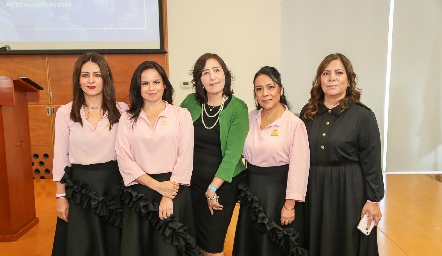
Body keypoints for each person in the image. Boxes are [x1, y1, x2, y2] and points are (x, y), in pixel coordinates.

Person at [300, 53, 384, 256]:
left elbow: (372, 161)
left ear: (349, 79)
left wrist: (373, 200)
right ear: (319, 80)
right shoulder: (308, 113)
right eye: (326, 73)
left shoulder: (363, 116)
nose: (332, 78)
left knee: (347, 244)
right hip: (314, 191)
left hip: (349, 192)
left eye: (338, 73)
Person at [115, 60, 200, 255]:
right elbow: (124, 158)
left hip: (174, 191)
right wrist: (156, 186)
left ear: (164, 85)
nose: (151, 88)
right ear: (138, 87)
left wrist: (167, 194)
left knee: (169, 249)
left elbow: (185, 157)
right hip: (139, 194)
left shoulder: (181, 115)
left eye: (156, 82)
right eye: (145, 83)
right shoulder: (127, 118)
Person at [51, 52, 128, 256]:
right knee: (81, 245)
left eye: (97, 74)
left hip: (112, 186)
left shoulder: (121, 109)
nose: (91, 80)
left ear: (106, 78)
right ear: (78, 80)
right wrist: (60, 196)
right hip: (79, 189)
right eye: (85, 75)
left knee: (112, 243)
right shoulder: (65, 112)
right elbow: (61, 157)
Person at [233, 66, 310, 256]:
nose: (265, 94)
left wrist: (289, 204)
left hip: (279, 193)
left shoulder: (294, 124)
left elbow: (300, 168)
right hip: (252, 191)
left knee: (274, 246)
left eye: (270, 87)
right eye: (259, 89)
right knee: (252, 244)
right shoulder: (249, 118)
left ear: (281, 90)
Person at [180, 53, 249, 256]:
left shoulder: (238, 107)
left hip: (221, 187)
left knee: (212, 246)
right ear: (199, 79)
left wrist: (212, 189)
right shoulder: (189, 102)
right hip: (190, 186)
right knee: (192, 244)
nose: (212, 77)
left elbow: (233, 155)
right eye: (205, 73)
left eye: (216, 70)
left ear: (225, 75)